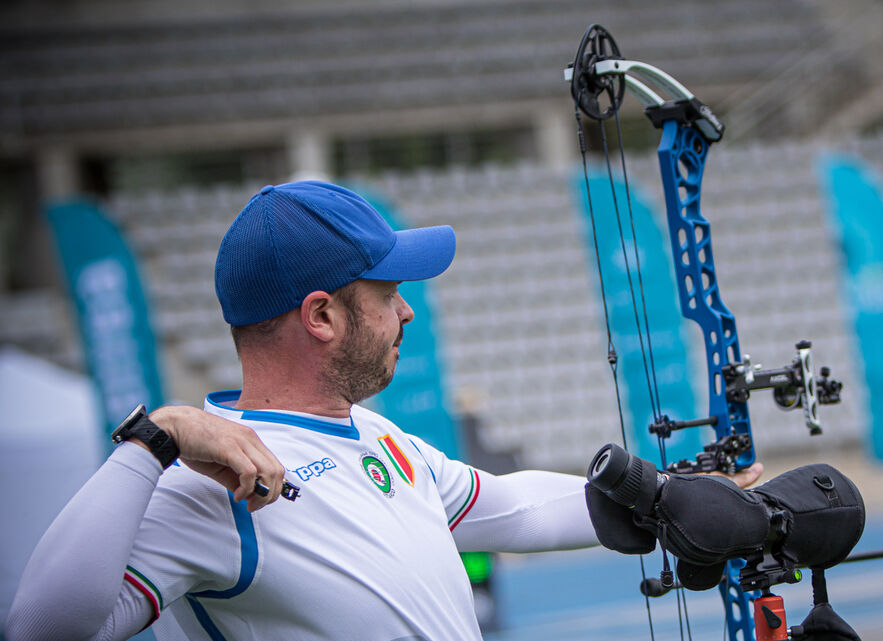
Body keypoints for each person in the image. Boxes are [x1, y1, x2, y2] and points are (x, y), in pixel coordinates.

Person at [5, 181, 763, 641]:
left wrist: (667, 496)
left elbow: (513, 507)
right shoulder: (208, 482)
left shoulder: (376, 435)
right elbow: (41, 628)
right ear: (321, 316)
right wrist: (157, 438)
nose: (407, 312)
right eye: (388, 293)